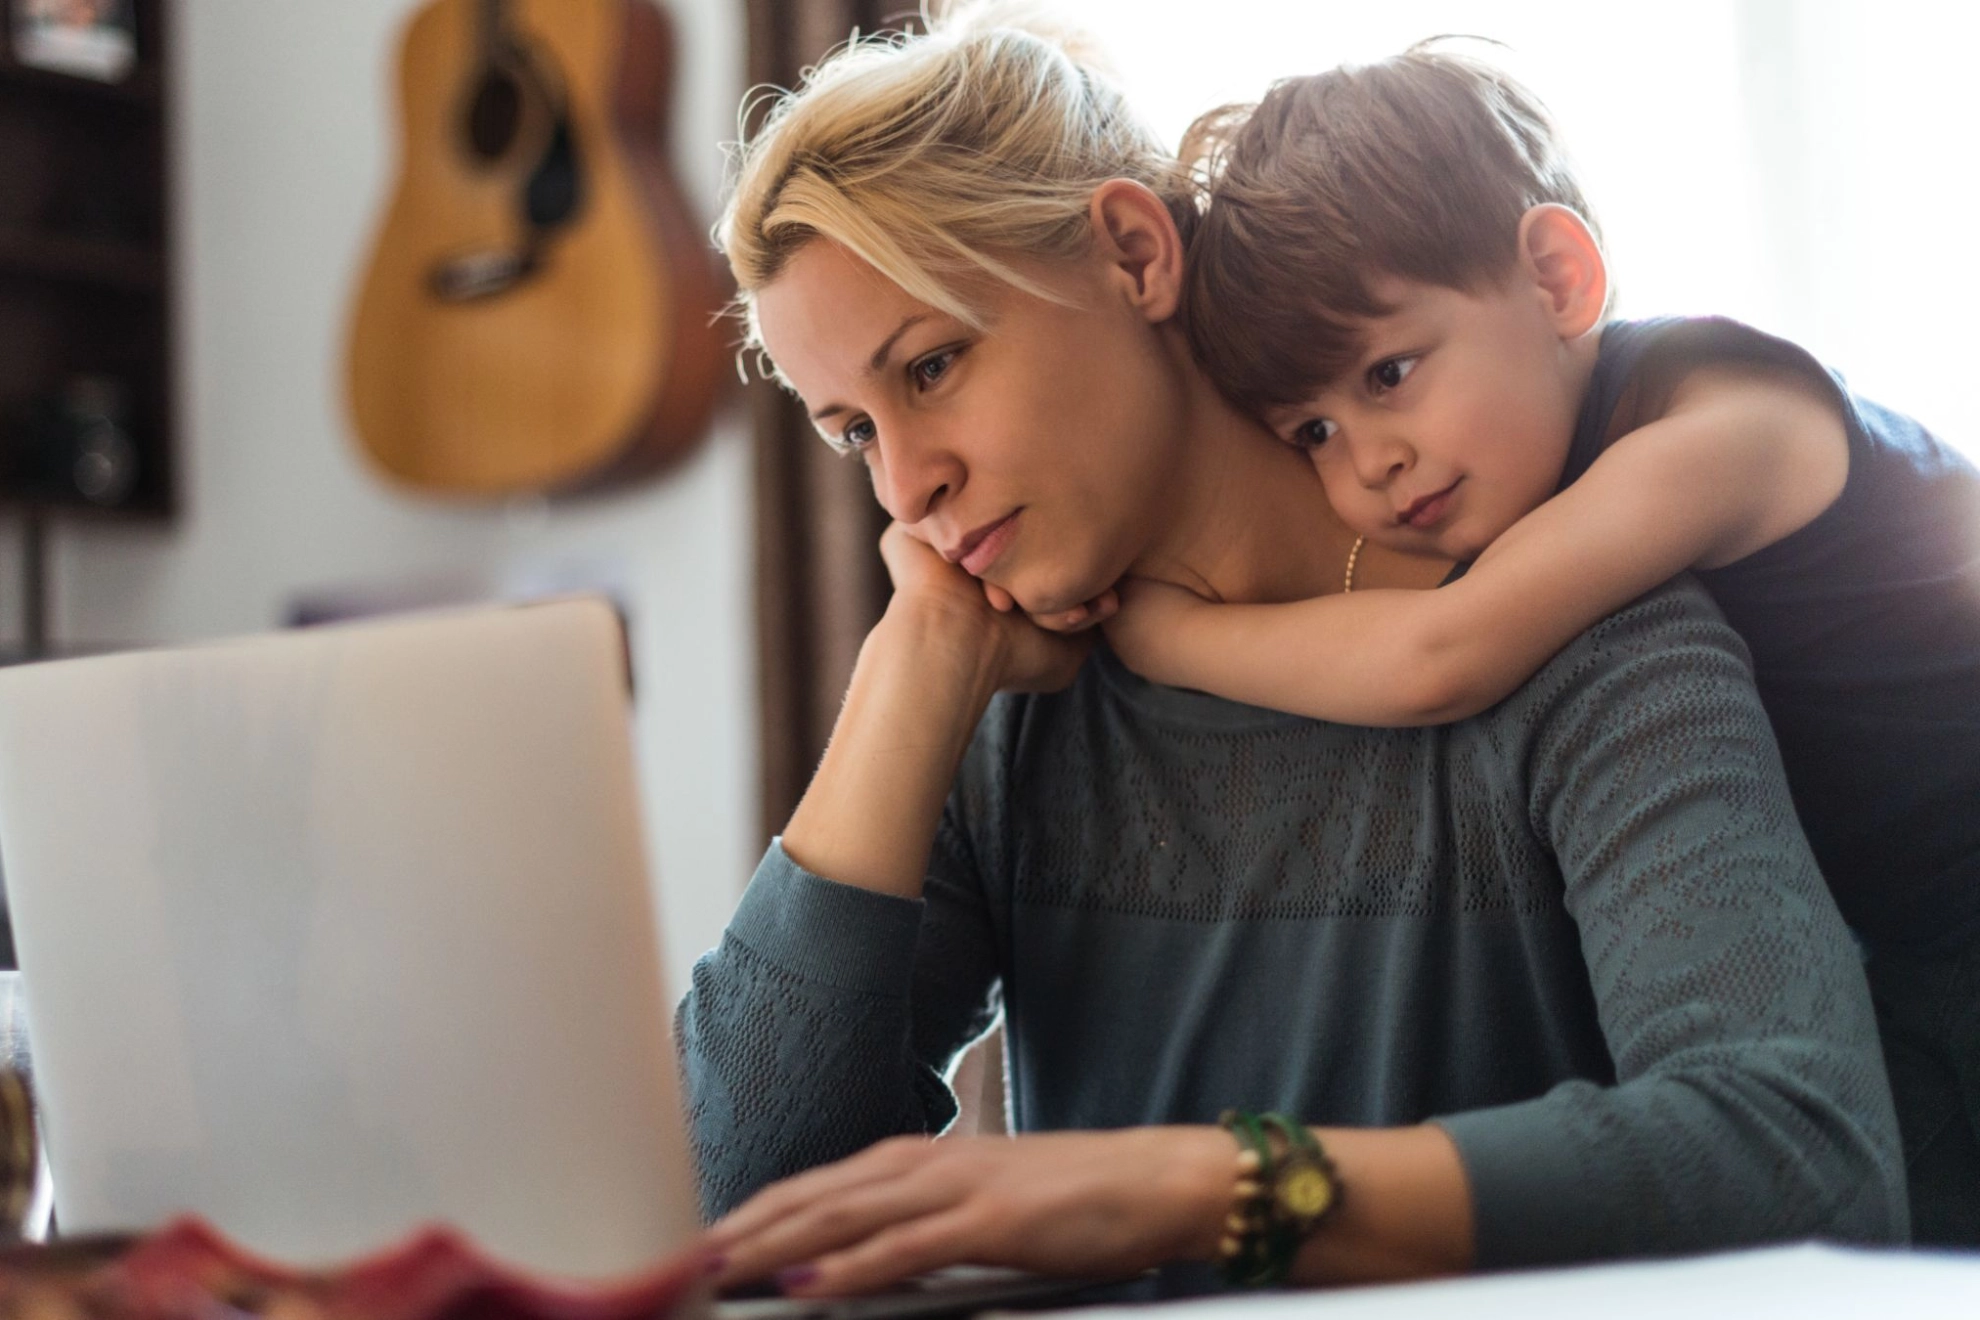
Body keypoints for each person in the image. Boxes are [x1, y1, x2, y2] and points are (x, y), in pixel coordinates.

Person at [677, 4, 1904, 1297]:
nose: (907, 489)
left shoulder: (1586, 634)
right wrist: (910, 661)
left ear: (1136, 253)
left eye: (931, 367)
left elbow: (1805, 1155)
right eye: (853, 433)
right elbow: (737, 1210)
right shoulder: (1006, 706)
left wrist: (1209, 1190)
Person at [1104, 45, 1980, 1244]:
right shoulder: (1536, 472)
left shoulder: (1723, 424)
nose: (1367, 463)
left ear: (1561, 279)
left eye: (1391, 373)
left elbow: (1440, 656)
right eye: (1311, 428)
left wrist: (1168, 633)